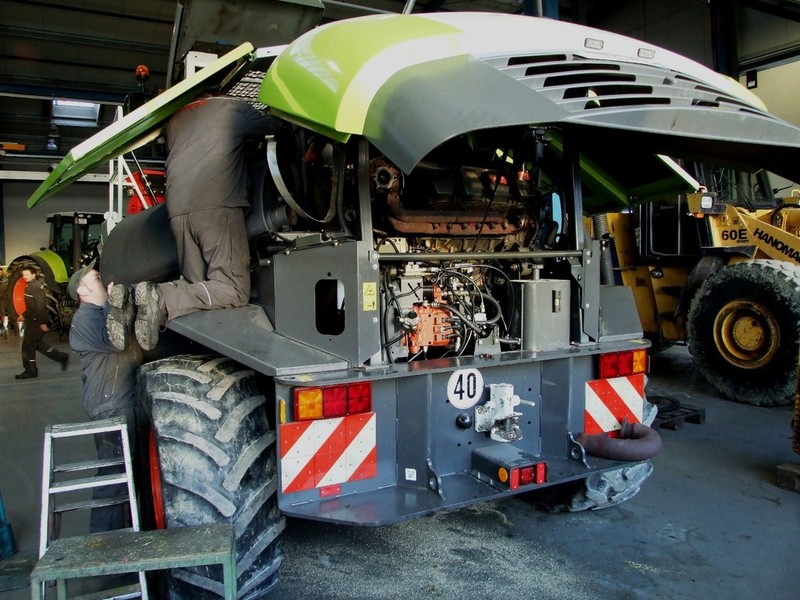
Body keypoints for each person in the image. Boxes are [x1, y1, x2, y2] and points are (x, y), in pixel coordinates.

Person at [107, 94, 281, 351]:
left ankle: (131, 298)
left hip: (177, 211)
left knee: (198, 289)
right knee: (232, 289)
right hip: (217, 205)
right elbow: (277, 126)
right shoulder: (231, 108)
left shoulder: (176, 121)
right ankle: (160, 296)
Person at [68, 259, 142, 532]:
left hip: (121, 400)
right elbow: (115, 341)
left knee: (127, 474)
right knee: (113, 476)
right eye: (96, 279)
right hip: (110, 405)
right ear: (82, 291)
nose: (103, 280)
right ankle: (105, 543)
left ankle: (125, 537)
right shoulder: (85, 318)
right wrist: (116, 303)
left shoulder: (101, 312)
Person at [15, 267, 69, 379]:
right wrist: (24, 315)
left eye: (27, 274)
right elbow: (31, 306)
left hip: (35, 322)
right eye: (23, 275)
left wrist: (42, 322)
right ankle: (61, 357)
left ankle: (31, 370)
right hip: (32, 320)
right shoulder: (30, 286)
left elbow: (40, 306)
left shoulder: (35, 287)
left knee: (27, 346)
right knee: (39, 345)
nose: (25, 277)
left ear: (33, 274)